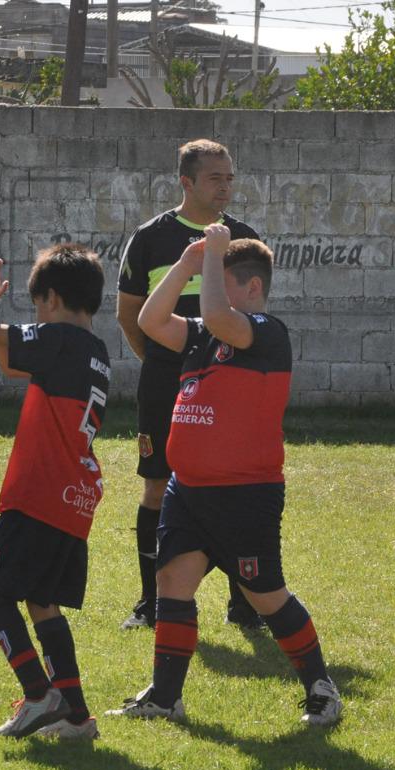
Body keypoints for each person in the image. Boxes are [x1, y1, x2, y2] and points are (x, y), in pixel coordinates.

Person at [112, 228, 342, 727]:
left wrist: (212, 257)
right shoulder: (203, 335)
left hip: (244, 493)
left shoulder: (266, 331)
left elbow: (218, 314)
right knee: (172, 581)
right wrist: (187, 264)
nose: (207, 293)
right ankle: (166, 696)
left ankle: (321, 687)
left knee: (265, 594)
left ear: (252, 289)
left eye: (220, 281)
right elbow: (150, 320)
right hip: (188, 489)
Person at [116, 139, 262, 630]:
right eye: (215, 177)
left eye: (230, 177)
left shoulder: (243, 240)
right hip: (165, 385)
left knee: (233, 487)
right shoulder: (151, 238)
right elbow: (130, 315)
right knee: (158, 485)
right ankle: (150, 602)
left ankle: (245, 602)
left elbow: (253, 317)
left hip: (227, 388)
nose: (226, 186)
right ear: (187, 182)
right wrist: (164, 363)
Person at [0, 242, 111, 740]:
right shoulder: (95, 350)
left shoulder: (58, 338)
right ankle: (75, 716)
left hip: (41, 493)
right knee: (42, 600)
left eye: (36, 306)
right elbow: (10, 365)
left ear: (50, 299)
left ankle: (38, 693)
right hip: (75, 495)